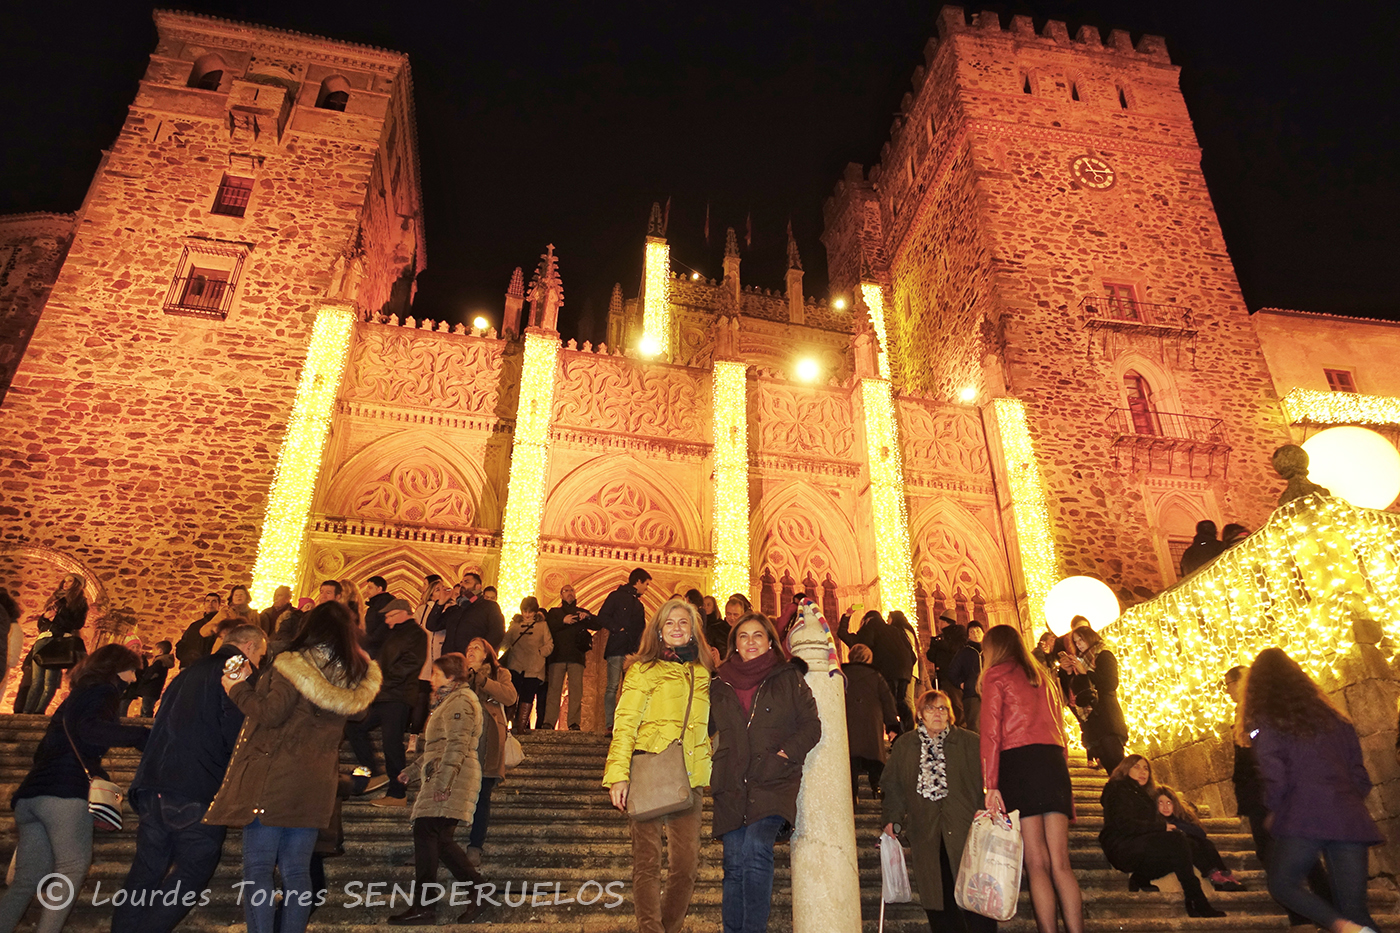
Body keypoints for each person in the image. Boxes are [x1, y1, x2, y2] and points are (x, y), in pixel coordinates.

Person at [204, 601, 381, 933]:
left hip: (274, 779)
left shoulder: (292, 665)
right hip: (316, 784)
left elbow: (271, 714)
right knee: (297, 871)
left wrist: (238, 687)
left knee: (258, 868)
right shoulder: (353, 675)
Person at [112, 624, 267, 933]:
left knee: (145, 873)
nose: (260, 662)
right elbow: (236, 724)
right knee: (195, 869)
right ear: (248, 646)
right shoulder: (236, 667)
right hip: (196, 785)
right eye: (261, 655)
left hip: (155, 782)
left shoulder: (189, 671)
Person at [0, 644, 149, 933]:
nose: (134, 679)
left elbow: (48, 747)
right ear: (116, 669)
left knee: (25, 880)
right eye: (132, 671)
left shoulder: (76, 696)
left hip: (32, 795)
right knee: (71, 870)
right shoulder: (104, 692)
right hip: (64, 795)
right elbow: (91, 729)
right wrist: (141, 735)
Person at [1246, 647, 1382, 933]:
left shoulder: (1267, 721)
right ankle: (1350, 926)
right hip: (1347, 814)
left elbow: (1274, 773)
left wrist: (1275, 808)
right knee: (1356, 910)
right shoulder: (1337, 718)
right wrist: (1345, 799)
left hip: (1304, 814)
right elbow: (1359, 774)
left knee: (1282, 884)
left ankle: (1340, 926)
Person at [604, 598, 714, 933]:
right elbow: (625, 723)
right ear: (659, 631)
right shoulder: (642, 669)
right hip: (649, 769)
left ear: (694, 631)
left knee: (686, 864)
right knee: (647, 862)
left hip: (689, 774)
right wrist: (618, 776)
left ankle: (670, 927)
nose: (677, 628)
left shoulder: (703, 672)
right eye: (670, 623)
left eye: (684, 622)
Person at [709, 610, 819, 933]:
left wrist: (784, 754)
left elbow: (811, 725)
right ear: (735, 644)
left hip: (773, 779)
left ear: (770, 641)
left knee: (757, 850)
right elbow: (703, 726)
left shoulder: (787, 678)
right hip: (732, 781)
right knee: (733, 864)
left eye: (758, 635)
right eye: (743, 636)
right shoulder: (719, 683)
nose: (751, 642)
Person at [979, 623, 1084, 933]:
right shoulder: (1045, 679)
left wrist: (990, 783)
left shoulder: (996, 675)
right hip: (1051, 763)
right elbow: (1062, 734)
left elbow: (990, 733)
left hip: (1018, 764)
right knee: (1061, 862)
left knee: (1036, 861)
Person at [1225, 665, 1333, 926]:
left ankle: (1311, 914)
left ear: (1242, 682)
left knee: (1283, 856)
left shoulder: (1262, 711)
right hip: (1261, 798)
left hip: (1271, 796)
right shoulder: (1246, 714)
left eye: (1229, 683)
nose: (1227, 691)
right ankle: (1319, 911)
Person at [882, 689, 994, 933]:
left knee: (975, 897)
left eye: (943, 708)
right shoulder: (905, 746)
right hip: (927, 831)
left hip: (966, 831)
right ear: (920, 714)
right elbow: (894, 786)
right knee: (938, 895)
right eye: (931, 708)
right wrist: (892, 819)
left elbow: (987, 779)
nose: (938, 713)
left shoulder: (969, 742)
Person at [388, 652, 487, 925]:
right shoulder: (449, 701)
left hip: (452, 777)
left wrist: (444, 784)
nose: (431, 679)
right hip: (443, 774)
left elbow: (457, 745)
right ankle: (478, 891)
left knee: (426, 830)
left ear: (451, 676)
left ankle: (425, 906)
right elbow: (437, 748)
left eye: (436, 673)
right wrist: (411, 772)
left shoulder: (461, 702)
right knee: (440, 839)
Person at [1099, 755, 1225, 917]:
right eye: (1136, 767)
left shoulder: (1142, 793)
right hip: (1121, 845)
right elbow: (1123, 824)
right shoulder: (1117, 789)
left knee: (1189, 844)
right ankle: (1197, 899)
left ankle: (1141, 877)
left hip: (1139, 842)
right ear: (1125, 769)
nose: (1142, 772)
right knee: (1177, 841)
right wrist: (1161, 827)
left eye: (1146, 768)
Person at [346, 597, 426, 807]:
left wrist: (382, 679)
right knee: (354, 726)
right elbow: (370, 646)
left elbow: (411, 663)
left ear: (403, 612)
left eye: (390, 616)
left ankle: (398, 793)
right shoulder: (391, 632)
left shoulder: (416, 634)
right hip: (382, 694)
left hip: (398, 696)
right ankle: (372, 771)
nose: (387, 620)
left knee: (392, 744)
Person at [461, 635, 517, 867]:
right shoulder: (457, 672)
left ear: (487, 654)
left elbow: (510, 696)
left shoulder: (499, 673)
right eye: (469, 647)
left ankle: (475, 846)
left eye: (477, 647)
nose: (471, 650)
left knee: (482, 794)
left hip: (488, 739)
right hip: (462, 737)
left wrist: (483, 680)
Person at [1155, 784, 1246, 891]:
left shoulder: (1181, 817)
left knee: (1206, 843)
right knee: (1190, 843)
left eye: (1169, 802)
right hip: (1171, 851)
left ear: (1174, 804)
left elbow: (1201, 833)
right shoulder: (1157, 821)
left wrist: (1177, 826)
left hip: (1190, 843)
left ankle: (1223, 873)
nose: (1165, 807)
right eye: (1161, 803)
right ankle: (1214, 876)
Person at [596, 567, 653, 733]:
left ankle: (624, 723)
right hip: (619, 648)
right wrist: (617, 629)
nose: (647, 588)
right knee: (614, 687)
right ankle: (611, 723)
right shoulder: (617, 597)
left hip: (631, 651)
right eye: (646, 584)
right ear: (638, 581)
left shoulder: (638, 604)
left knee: (628, 688)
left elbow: (641, 629)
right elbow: (602, 617)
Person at [23, 573, 89, 714]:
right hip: (43, 639)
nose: (65, 583)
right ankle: (26, 712)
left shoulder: (79, 602)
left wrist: (57, 617)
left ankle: (38, 712)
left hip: (59, 641)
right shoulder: (55, 599)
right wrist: (45, 618)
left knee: (50, 682)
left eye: (70, 581)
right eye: (65, 581)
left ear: (77, 584)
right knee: (36, 681)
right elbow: (41, 624)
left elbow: (77, 624)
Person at [1065, 626, 1127, 772]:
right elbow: (1079, 694)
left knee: (1117, 763)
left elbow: (1111, 684)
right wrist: (1069, 673)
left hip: (1107, 717)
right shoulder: (1081, 662)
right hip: (1093, 722)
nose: (1079, 643)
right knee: (1110, 766)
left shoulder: (1103, 655)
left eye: (1081, 639)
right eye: (1076, 641)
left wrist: (1086, 673)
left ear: (1090, 637)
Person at [844, 643, 898, 802]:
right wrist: (892, 726)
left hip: (849, 722)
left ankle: (852, 794)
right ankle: (877, 786)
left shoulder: (841, 674)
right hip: (871, 722)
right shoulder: (876, 676)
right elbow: (888, 701)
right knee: (874, 756)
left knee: (850, 761)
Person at [500, 597, 553, 733]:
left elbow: (549, 644)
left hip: (534, 666)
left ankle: (521, 726)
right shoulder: (515, 625)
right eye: (525, 611)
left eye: (530, 611)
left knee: (528, 696)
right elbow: (506, 642)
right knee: (512, 695)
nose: (527, 614)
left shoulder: (542, 625)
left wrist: (540, 652)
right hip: (516, 664)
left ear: (535, 612)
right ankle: (507, 724)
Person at [543, 584, 591, 731]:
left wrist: (587, 617)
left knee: (576, 691)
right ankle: (549, 722)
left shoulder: (582, 612)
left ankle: (574, 722)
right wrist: (563, 621)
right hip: (557, 656)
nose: (570, 593)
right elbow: (549, 625)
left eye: (572, 590)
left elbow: (597, 624)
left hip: (576, 657)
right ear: (561, 595)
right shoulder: (555, 612)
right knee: (554, 690)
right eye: (566, 591)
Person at [426, 571, 506, 656]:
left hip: (472, 662)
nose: (462, 585)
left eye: (466, 582)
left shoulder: (488, 607)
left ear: (478, 587)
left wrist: (481, 652)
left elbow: (497, 633)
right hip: (450, 661)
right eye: (461, 582)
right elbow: (432, 625)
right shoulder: (455, 609)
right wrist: (440, 603)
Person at [876, 610, 918, 734]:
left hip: (901, 671)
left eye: (888, 619)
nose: (887, 622)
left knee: (902, 700)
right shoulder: (908, 630)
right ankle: (908, 728)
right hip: (908, 671)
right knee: (905, 700)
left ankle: (907, 730)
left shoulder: (898, 631)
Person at [942, 624, 981, 731]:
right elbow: (952, 671)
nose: (975, 634)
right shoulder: (965, 652)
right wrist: (962, 684)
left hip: (990, 693)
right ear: (968, 636)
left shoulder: (990, 649)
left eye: (978, 631)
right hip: (972, 694)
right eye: (972, 632)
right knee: (975, 727)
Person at [125, 639, 174, 716]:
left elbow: (150, 674)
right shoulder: (162, 661)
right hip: (152, 691)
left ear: (160, 651)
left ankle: (144, 723)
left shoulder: (159, 662)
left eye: (155, 649)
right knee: (146, 708)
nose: (152, 651)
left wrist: (143, 679)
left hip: (150, 691)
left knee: (146, 710)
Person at [362, 575, 395, 656]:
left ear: (379, 589)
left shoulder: (383, 603)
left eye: (370, 588)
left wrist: (369, 640)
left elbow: (384, 625)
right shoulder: (377, 602)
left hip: (376, 648)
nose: (366, 591)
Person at [702, 595, 727, 660]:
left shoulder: (719, 624)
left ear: (713, 607)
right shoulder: (700, 624)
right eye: (704, 605)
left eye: (708, 605)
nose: (706, 607)